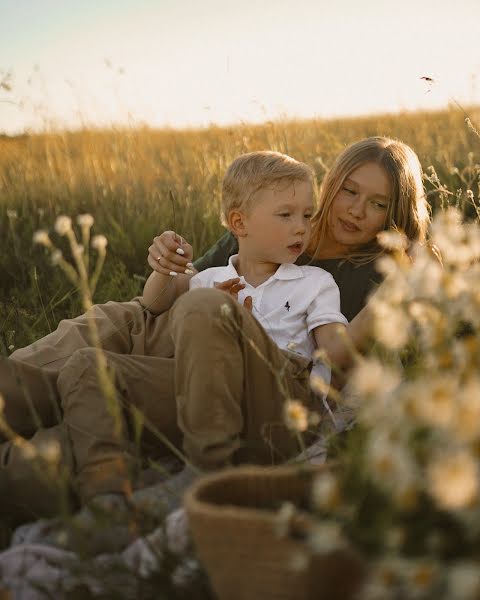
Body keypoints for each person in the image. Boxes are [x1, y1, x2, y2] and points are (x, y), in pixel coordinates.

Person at [0, 136, 430, 527]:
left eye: (377, 204)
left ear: (393, 215)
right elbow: (179, 288)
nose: (356, 209)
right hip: (163, 325)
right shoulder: (268, 220)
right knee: (106, 328)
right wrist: (167, 261)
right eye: (349, 191)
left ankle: (78, 492)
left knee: (45, 457)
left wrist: (403, 286)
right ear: (331, 185)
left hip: (221, 363)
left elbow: (333, 357)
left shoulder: (365, 274)